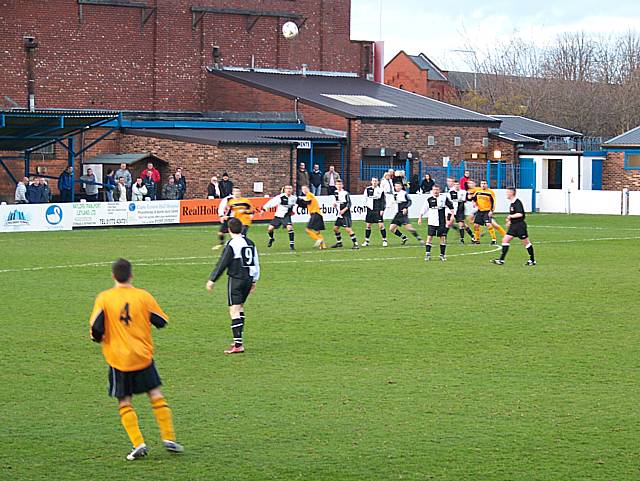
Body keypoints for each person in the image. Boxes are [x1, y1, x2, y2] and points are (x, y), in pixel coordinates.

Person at [89, 258, 183, 460]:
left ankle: (138, 443)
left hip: (117, 358)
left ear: (113, 276)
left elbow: (96, 329)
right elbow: (161, 321)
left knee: (124, 400)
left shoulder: (104, 298)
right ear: (131, 275)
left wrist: (101, 338)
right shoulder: (143, 296)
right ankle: (168, 438)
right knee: (155, 393)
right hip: (142, 355)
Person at [206, 218, 260, 354]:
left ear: (229, 229)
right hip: (248, 278)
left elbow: (223, 263)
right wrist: (254, 280)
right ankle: (238, 339)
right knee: (240, 307)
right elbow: (255, 262)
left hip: (236, 279)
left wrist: (212, 280)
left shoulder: (232, 244)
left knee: (234, 311)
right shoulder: (250, 242)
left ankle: (238, 344)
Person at [492, 188, 536, 266]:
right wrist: (509, 221)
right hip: (513, 226)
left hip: (520, 226)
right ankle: (501, 260)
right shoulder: (512, 203)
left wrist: (510, 216)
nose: (506, 193)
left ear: (512, 193)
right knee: (505, 240)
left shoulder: (517, 202)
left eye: (508, 192)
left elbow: (520, 214)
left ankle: (532, 260)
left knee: (526, 243)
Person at [418, 185, 454, 262]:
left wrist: (452, 216)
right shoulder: (429, 199)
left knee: (442, 237)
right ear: (432, 190)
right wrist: (420, 217)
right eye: (434, 189)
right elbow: (424, 208)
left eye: (437, 189)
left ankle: (442, 255)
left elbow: (451, 206)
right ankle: (427, 254)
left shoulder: (443, 198)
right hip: (432, 221)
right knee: (429, 237)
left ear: (439, 190)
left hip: (441, 221)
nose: (435, 191)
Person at [263, 185, 297, 250]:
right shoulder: (280, 197)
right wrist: (264, 209)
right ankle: (271, 238)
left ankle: (291, 245)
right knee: (270, 229)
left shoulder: (294, 198)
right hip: (278, 216)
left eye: (290, 188)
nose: (289, 190)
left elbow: (299, 204)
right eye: (287, 188)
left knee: (289, 227)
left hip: (286, 216)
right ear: (284, 190)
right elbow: (271, 203)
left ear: (292, 190)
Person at [471, 180, 505, 245]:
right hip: (480, 211)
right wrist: (474, 203)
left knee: (489, 225)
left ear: (487, 185)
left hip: (487, 211)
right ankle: (477, 240)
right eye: (482, 183)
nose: (483, 185)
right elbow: (473, 199)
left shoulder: (490, 192)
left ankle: (494, 239)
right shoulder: (477, 192)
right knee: (476, 225)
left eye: (484, 183)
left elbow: (493, 202)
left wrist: (491, 211)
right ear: (480, 185)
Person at [331, 180, 359, 249]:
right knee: (335, 229)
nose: (339, 186)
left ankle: (356, 244)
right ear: (335, 186)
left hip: (345, 213)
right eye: (337, 185)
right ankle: (339, 243)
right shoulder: (336, 192)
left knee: (348, 229)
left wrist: (344, 210)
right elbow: (336, 200)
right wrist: (334, 204)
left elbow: (349, 203)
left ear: (342, 185)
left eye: (340, 184)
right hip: (339, 213)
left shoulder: (345, 193)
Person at [446, 178, 474, 244]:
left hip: (460, 211)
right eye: (455, 185)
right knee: (449, 223)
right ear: (454, 185)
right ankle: (444, 237)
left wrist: (471, 196)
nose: (457, 186)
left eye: (458, 184)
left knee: (461, 225)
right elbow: (447, 202)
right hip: (452, 211)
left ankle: (462, 239)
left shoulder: (463, 192)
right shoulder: (450, 192)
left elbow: (468, 198)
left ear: (459, 185)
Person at [298, 185, 326, 249]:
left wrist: (300, 200)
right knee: (317, 231)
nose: (304, 190)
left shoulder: (309, 194)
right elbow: (307, 204)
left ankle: (318, 239)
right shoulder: (309, 196)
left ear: (308, 189)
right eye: (303, 189)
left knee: (307, 229)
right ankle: (323, 246)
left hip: (315, 214)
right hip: (318, 214)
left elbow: (308, 202)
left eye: (305, 188)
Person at [363, 177, 387, 247]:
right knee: (368, 225)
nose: (374, 182)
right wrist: (366, 206)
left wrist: (382, 209)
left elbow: (383, 201)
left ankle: (384, 240)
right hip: (370, 209)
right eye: (373, 181)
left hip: (378, 209)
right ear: (371, 182)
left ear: (378, 182)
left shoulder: (380, 190)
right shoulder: (367, 189)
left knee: (381, 225)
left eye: (376, 181)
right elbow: (365, 198)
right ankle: (366, 241)